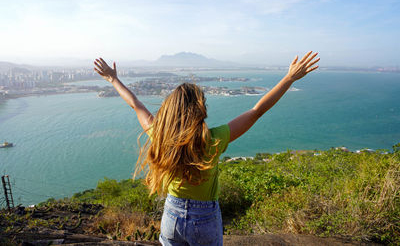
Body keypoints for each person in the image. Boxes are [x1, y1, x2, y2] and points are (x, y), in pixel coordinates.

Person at [94, 51, 320, 246]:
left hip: (171, 214)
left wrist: (113, 79)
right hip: (205, 217)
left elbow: (136, 104)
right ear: (200, 110)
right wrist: (289, 78)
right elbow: (256, 111)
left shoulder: (160, 136)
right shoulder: (213, 140)